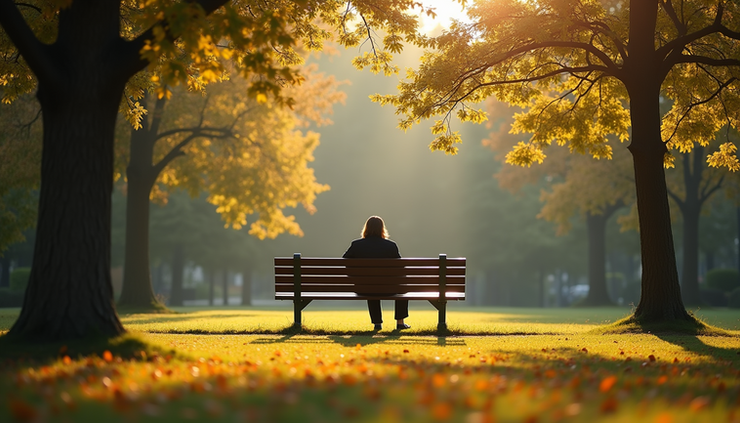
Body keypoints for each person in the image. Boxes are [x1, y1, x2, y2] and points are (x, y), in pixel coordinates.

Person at [342, 216, 410, 331]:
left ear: (366, 228)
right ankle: (400, 322)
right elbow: (401, 268)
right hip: (388, 289)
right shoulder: (390, 246)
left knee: (370, 283)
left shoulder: (356, 245)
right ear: (382, 229)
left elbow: (344, 261)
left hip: (364, 288)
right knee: (402, 286)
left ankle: (377, 323)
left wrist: (356, 276)